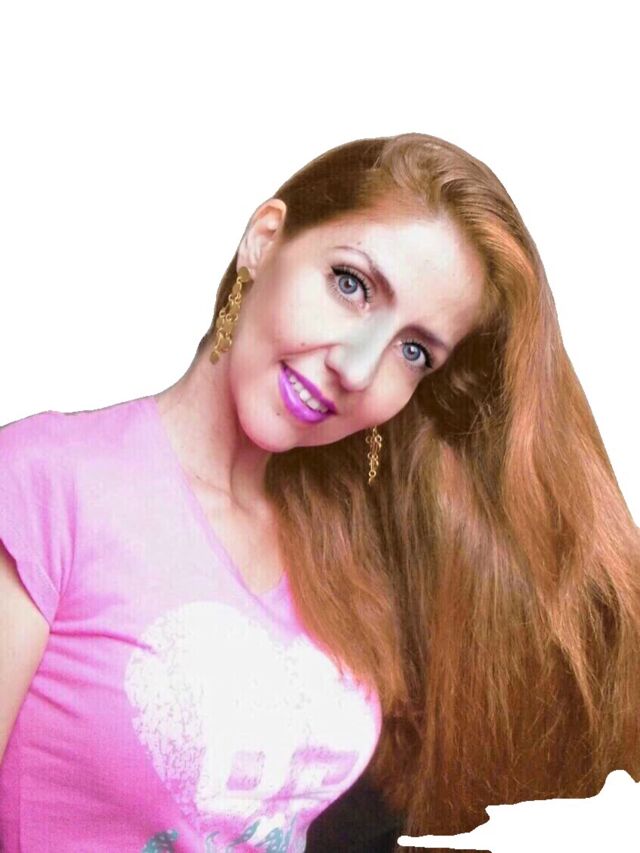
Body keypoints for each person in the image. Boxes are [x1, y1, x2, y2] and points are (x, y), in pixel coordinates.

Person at [0, 132, 638, 852]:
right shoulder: (44, 484)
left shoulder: (347, 559)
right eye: (351, 284)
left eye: (413, 350)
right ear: (264, 241)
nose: (359, 369)